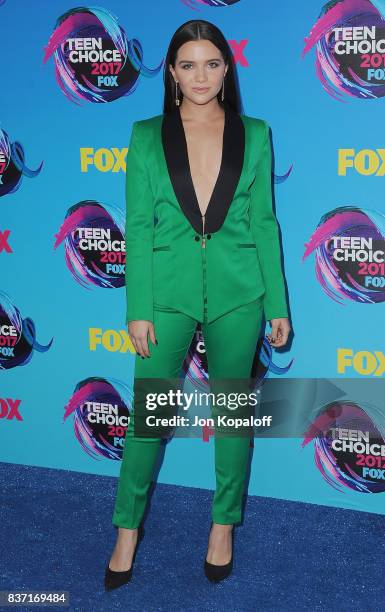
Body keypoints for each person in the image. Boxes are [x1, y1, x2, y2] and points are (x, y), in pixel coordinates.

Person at [105, 18, 291, 590]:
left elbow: (264, 221)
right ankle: (126, 532)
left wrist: (278, 303)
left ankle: (222, 526)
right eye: (188, 65)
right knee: (148, 418)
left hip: (241, 293)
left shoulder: (255, 133)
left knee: (233, 416)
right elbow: (136, 225)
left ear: (227, 69)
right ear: (171, 72)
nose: (201, 75)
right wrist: (138, 307)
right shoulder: (144, 134)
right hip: (165, 294)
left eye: (212, 63)